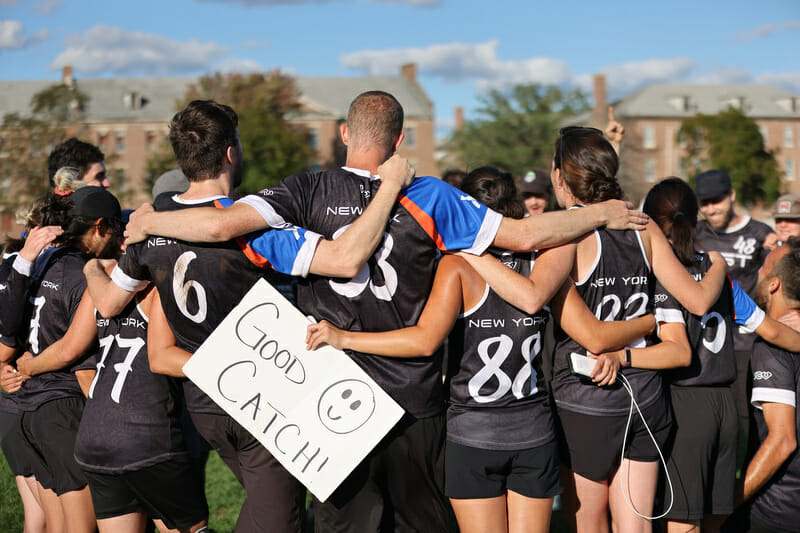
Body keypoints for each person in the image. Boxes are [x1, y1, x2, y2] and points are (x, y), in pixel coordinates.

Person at [121, 91, 650, 532]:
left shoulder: (306, 189)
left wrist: (152, 221)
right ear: (399, 142)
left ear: (346, 135)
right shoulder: (429, 194)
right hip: (413, 398)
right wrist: (598, 213)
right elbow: (525, 234)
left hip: (332, 400)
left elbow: (219, 225)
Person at [83, 99, 418, 533]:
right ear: (229, 153)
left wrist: (89, 264)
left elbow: (108, 305)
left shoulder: (152, 230)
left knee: (282, 507)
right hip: (262, 398)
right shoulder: (251, 229)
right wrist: (390, 185)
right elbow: (342, 260)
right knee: (287, 518)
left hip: (204, 403)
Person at [305, 166, 656, 533]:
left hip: (473, 434)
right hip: (533, 431)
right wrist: (649, 323)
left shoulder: (457, 265)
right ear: (517, 206)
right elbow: (592, 333)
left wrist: (345, 338)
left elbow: (424, 341)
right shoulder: (547, 257)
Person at [544, 127, 729, 533]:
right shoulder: (643, 227)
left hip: (586, 400)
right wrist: (719, 269)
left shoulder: (565, 232)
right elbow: (697, 301)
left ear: (560, 177)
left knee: (589, 518)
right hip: (644, 396)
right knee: (637, 523)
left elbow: (590, 335)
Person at [642, 178, 800, 533]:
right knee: (715, 521)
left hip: (685, 403)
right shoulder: (717, 273)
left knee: (683, 522)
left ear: (650, 221)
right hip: (726, 407)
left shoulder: (660, 273)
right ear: (695, 220)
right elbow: (773, 330)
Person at [2, 186, 128, 533]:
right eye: (116, 230)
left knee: (53, 525)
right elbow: (77, 355)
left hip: (25, 410)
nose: (119, 240)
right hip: (62, 409)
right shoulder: (85, 273)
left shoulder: (39, 261)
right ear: (100, 227)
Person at [694, 168, 778, 469]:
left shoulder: (758, 233)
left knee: (744, 417)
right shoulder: (696, 233)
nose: (710, 208)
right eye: (704, 203)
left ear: (731, 196)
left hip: (745, 341)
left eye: (717, 200)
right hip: (706, 342)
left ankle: (744, 481)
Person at [738, 240, 800, 533]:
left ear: (774, 284)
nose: (757, 274)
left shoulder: (772, 350)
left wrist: (730, 502)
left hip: (778, 511)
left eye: (763, 269)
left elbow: (783, 441)